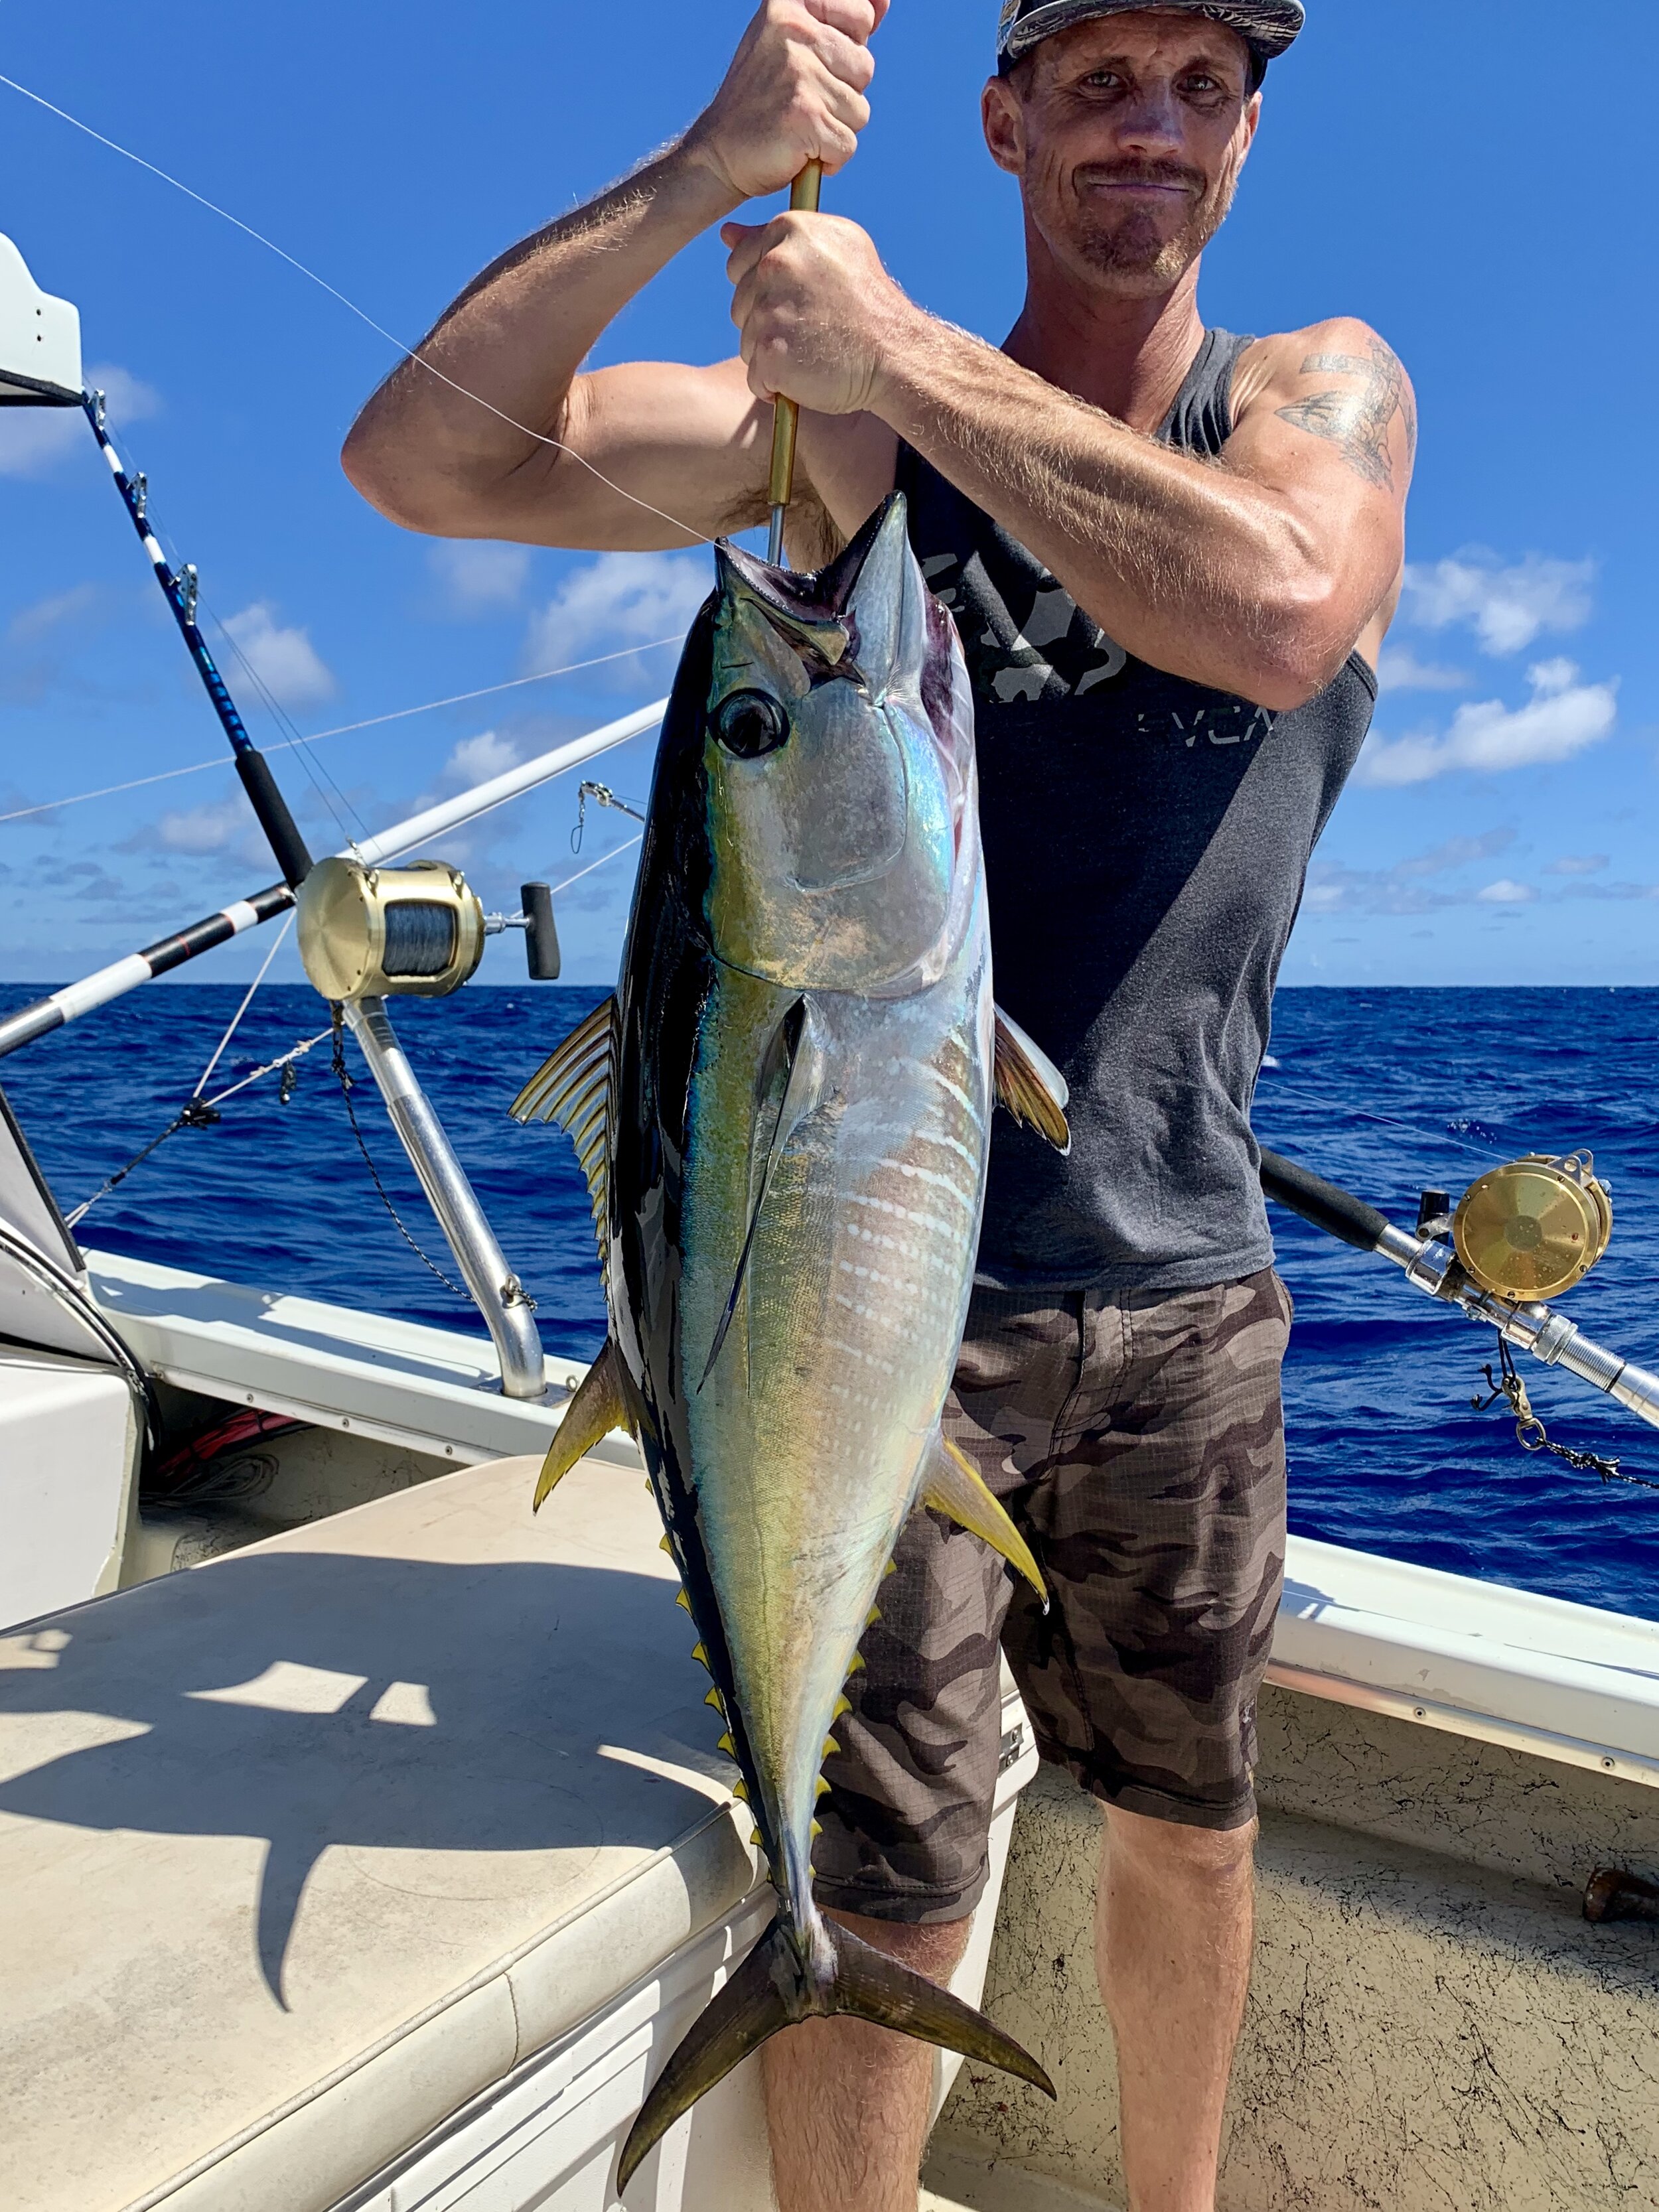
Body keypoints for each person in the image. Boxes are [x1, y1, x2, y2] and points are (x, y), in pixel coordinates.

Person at [342, 3, 1411, 2205]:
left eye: (1198, 84)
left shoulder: (1304, 392)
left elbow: (1283, 608)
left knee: (1189, 1832)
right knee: (898, 1871)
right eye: (1096, 77)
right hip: (846, 1313)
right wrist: (707, 169)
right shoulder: (824, 437)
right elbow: (427, 463)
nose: (1149, 127)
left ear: (1243, 130)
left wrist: (897, 359)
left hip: (1185, 1296)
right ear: (1002, 113)